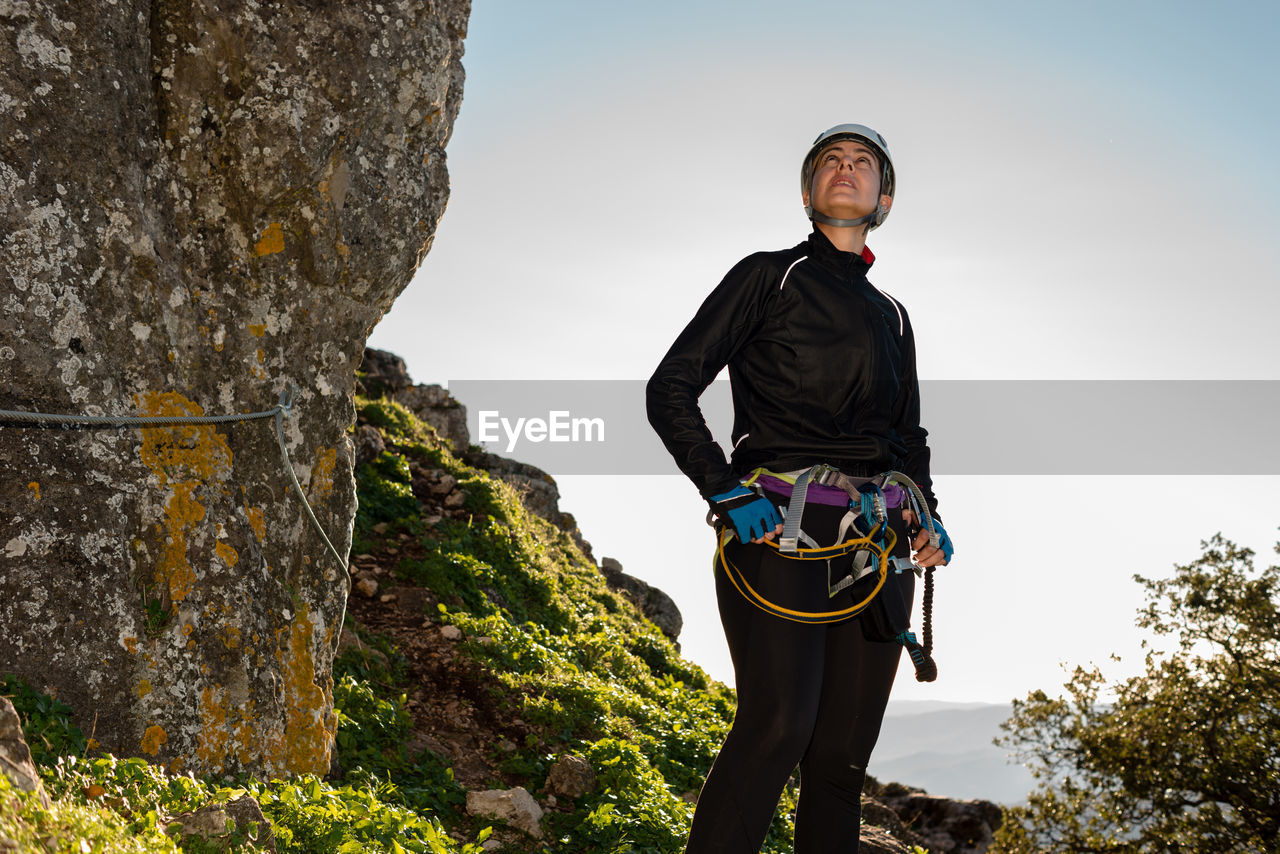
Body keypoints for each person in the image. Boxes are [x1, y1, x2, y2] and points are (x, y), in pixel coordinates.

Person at [646, 123, 952, 853]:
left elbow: (907, 438)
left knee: (841, 762)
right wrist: (722, 490)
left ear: (884, 198)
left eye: (864, 164)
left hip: (880, 546)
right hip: (777, 530)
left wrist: (929, 520)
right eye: (830, 163)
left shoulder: (894, 317)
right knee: (776, 728)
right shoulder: (768, 276)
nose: (846, 171)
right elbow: (672, 387)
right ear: (809, 191)